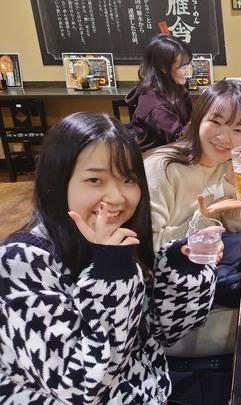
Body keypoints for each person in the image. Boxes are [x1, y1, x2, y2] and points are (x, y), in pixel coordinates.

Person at [0, 112, 217, 404]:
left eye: (128, 179)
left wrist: (184, 265)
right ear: (57, 181)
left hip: (151, 391)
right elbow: (82, 388)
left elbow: (162, 334)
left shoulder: (113, 239)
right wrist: (111, 275)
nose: (116, 197)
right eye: (94, 180)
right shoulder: (19, 264)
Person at [144, 79, 241, 356]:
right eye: (216, 121)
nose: (225, 136)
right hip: (171, 298)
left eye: (238, 130)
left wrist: (237, 193)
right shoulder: (163, 168)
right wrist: (198, 224)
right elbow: (145, 250)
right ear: (198, 119)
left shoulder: (228, 168)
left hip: (211, 277)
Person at [126, 34, 193, 152]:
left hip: (172, 152)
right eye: (183, 67)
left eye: (188, 64)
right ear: (164, 68)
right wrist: (205, 109)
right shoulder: (155, 104)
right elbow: (180, 139)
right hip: (154, 160)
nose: (188, 71)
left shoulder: (177, 89)